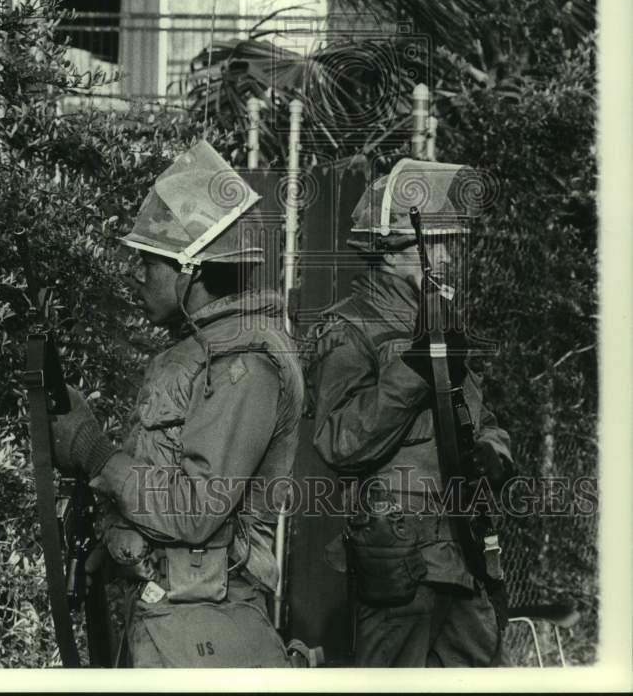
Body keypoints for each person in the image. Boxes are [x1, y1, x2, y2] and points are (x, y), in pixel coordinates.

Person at [48, 140, 304, 667]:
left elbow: (194, 512)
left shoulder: (245, 364)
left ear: (190, 270)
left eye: (149, 259)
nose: (133, 272)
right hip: (175, 621)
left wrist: (94, 453)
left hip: (209, 631)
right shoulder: (201, 352)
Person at [311, 158, 514, 667]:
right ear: (389, 251)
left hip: (461, 552)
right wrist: (412, 370)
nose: (446, 257)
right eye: (435, 243)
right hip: (399, 564)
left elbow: (479, 418)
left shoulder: (440, 323)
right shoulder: (350, 328)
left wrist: (493, 449)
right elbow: (338, 441)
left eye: (449, 242)